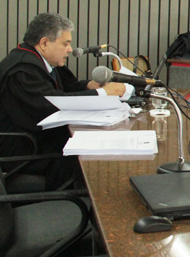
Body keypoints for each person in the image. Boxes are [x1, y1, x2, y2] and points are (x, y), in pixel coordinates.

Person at [0, 13, 126, 189]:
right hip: (24, 149)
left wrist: (88, 86)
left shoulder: (38, 60)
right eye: (65, 43)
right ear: (44, 43)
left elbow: (64, 89)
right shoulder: (23, 70)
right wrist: (101, 94)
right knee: (83, 156)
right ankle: (74, 205)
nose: (70, 49)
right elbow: (51, 104)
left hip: (34, 140)